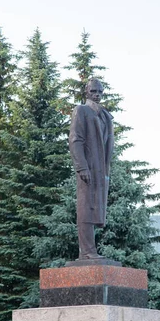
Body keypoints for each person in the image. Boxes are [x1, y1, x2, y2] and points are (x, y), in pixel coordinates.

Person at [69, 79, 115, 260]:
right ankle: (87, 251)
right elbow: (75, 140)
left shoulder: (104, 115)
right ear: (86, 92)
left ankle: (91, 250)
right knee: (86, 207)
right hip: (88, 167)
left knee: (96, 208)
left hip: (101, 169)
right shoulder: (81, 110)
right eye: (94, 91)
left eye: (100, 92)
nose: (97, 94)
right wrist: (82, 167)